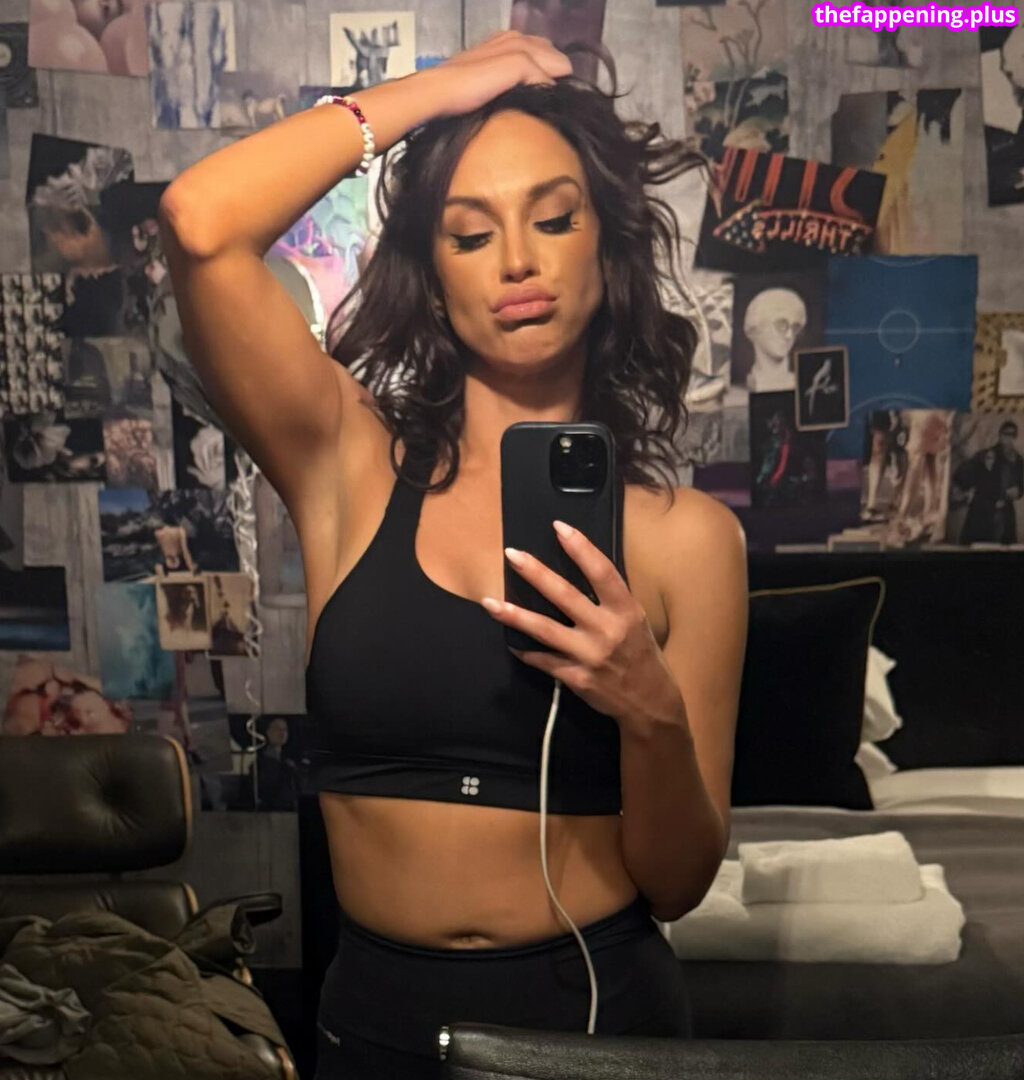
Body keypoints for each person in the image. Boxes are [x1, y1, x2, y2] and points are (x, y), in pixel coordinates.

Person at [158, 31, 747, 1079]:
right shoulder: (346, 465)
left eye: (553, 220)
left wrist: (649, 709)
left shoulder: (688, 538)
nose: (517, 260)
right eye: (470, 235)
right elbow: (201, 221)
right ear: (432, 279)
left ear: (607, 253)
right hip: (374, 1023)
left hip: (598, 1027)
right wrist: (441, 89)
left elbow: (679, 882)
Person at [953, 420, 1024, 544]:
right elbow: (964, 475)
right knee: (978, 545)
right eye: (1006, 434)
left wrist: (1018, 491)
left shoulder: (1018, 460)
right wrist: (962, 491)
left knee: (1004, 548)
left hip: (1004, 513)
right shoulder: (986, 455)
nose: (1008, 438)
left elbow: (1021, 485)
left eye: (1012, 435)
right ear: (1000, 435)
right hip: (983, 510)